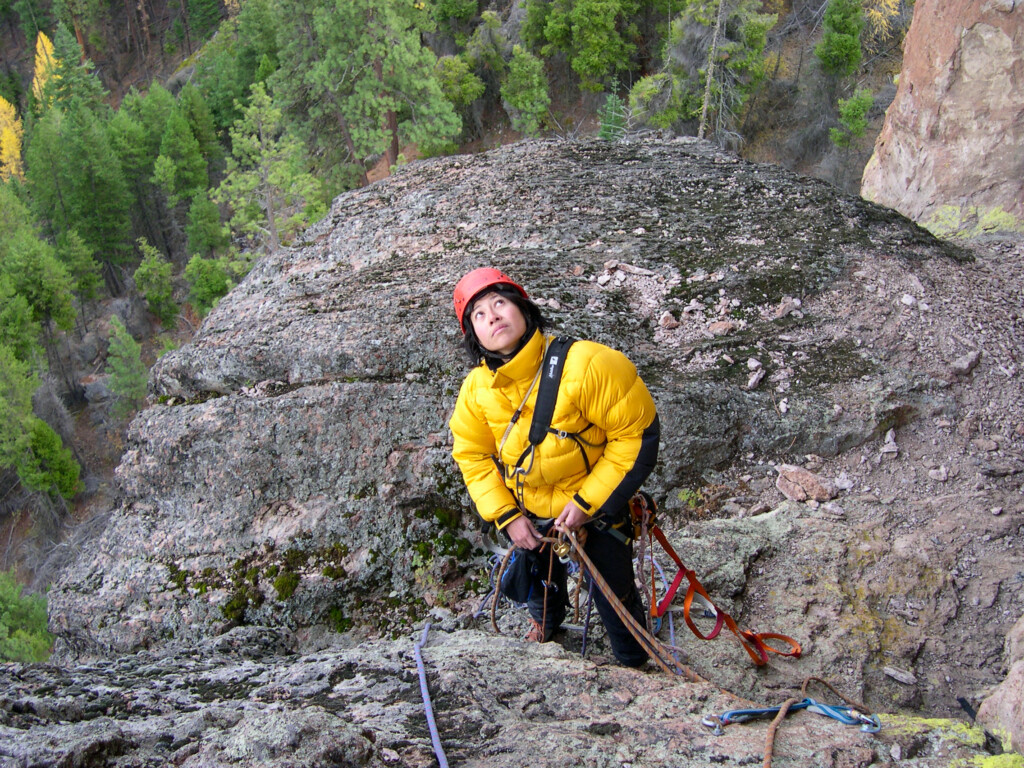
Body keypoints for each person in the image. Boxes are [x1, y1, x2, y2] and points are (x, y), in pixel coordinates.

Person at [449, 267, 660, 668]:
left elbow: (636, 432)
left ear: (523, 309)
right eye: (478, 314)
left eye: (500, 303)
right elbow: (472, 457)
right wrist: (507, 516)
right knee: (537, 572)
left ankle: (635, 659)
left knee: (613, 589)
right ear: (473, 336)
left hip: (591, 511)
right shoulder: (476, 390)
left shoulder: (585, 364)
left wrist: (587, 504)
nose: (492, 316)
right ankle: (546, 622)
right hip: (528, 507)